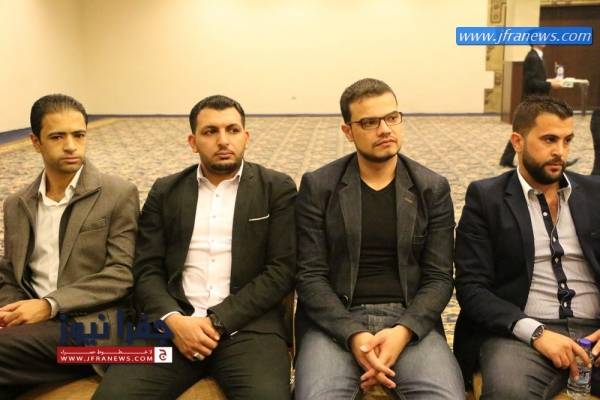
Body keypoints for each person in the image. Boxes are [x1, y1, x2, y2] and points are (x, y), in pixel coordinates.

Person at [93, 95, 297, 400]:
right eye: (210, 131)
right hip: (171, 329)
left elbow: (282, 270)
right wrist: (173, 320)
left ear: (246, 137)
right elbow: (146, 267)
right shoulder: (166, 190)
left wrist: (217, 321)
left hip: (247, 328)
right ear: (193, 141)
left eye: (232, 130)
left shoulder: (276, 188)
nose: (223, 140)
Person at [294, 78, 464, 399]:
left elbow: (440, 277)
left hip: (408, 319)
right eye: (369, 122)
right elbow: (310, 276)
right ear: (348, 131)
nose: (385, 129)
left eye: (392, 118)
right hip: (336, 320)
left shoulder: (431, 187)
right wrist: (352, 333)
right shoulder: (319, 186)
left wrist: (403, 331)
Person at [455, 95, 600, 399]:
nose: (560, 151)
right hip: (520, 335)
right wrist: (535, 333)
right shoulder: (487, 198)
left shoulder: (594, 193)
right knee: (508, 391)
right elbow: (471, 288)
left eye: (567, 140)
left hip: (595, 331)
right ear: (517, 142)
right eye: (549, 139)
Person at [0, 94, 139, 398]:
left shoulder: (118, 194)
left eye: (79, 135)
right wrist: (12, 312)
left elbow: (121, 274)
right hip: (33, 326)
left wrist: (49, 305)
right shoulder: (16, 204)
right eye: (57, 137)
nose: (71, 146)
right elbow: (9, 274)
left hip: (91, 333)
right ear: (35, 142)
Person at [500, 44, 563, 167]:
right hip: (532, 101)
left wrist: (549, 81)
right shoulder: (532, 57)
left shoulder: (538, 56)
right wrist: (550, 85)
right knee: (524, 130)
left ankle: (507, 158)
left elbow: (537, 79)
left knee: (527, 130)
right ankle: (507, 158)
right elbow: (530, 83)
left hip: (537, 100)